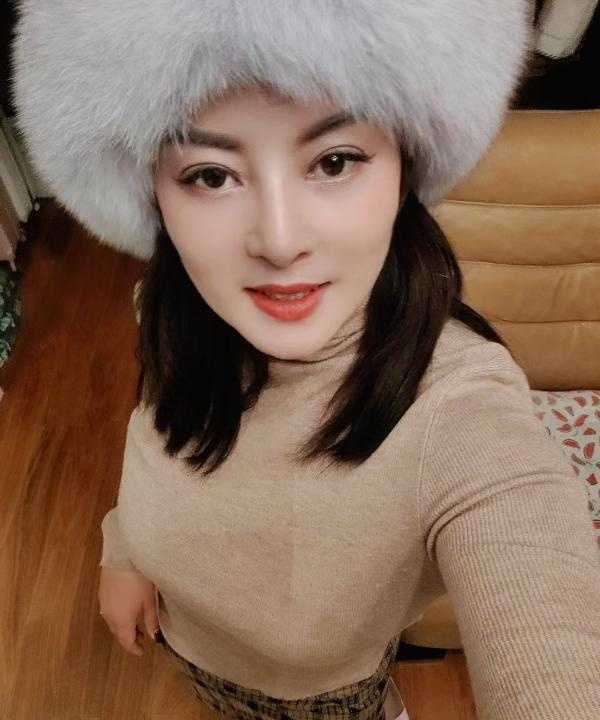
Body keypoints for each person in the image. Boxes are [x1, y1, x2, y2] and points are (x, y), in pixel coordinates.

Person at [11, 2, 600, 719]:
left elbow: (544, 610)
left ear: (404, 170)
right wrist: (124, 550)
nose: (279, 240)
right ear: (155, 196)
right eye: (210, 175)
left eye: (334, 161)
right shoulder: (173, 307)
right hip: (187, 652)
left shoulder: (459, 410)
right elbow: (157, 433)